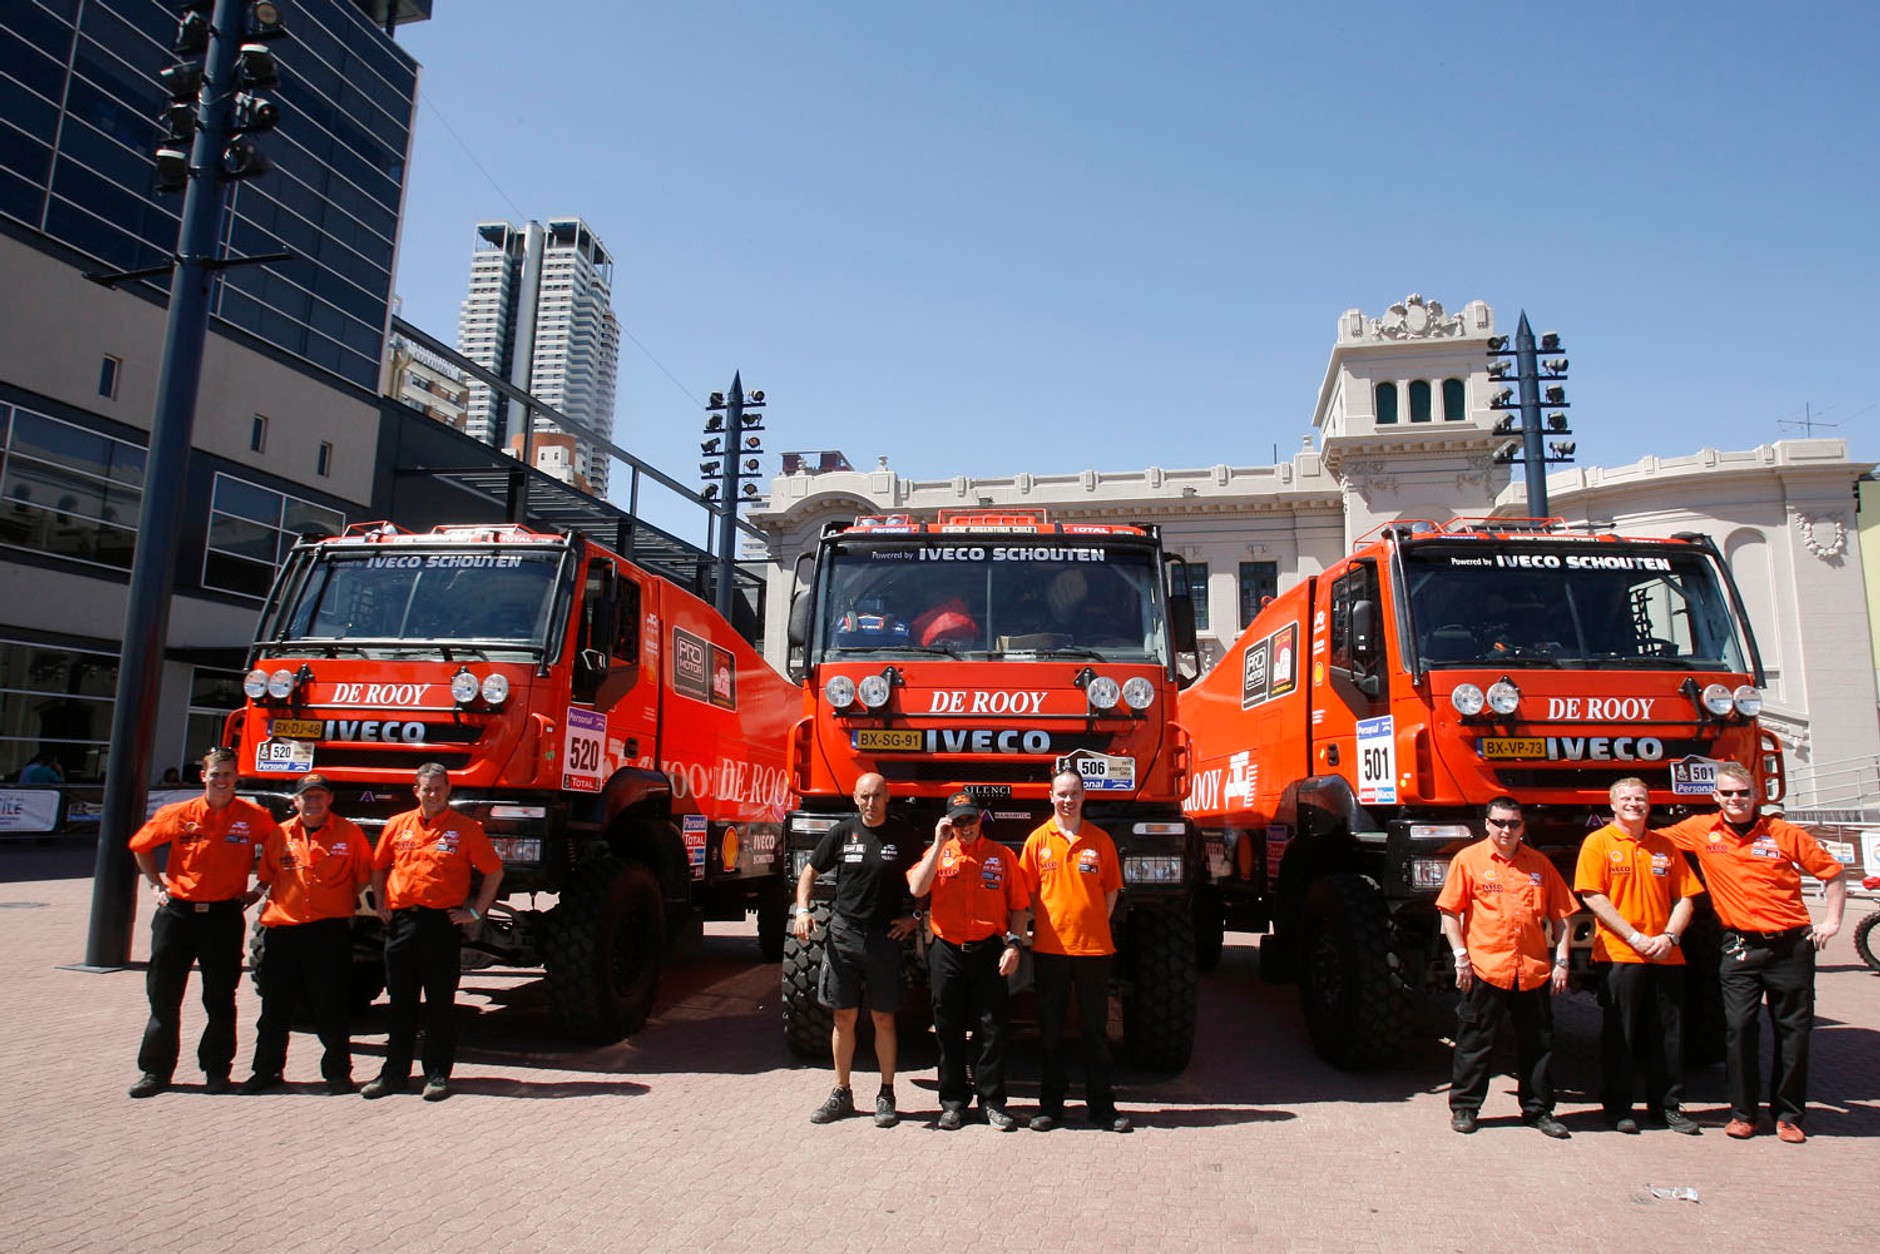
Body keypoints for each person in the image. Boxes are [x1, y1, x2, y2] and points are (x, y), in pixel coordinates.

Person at [1656, 761, 1846, 1143]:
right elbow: (1648, 838)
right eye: (1727, 793)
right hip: (1739, 947)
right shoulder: (1700, 830)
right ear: (1716, 797)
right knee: (1738, 1029)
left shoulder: (1784, 833)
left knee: (1792, 1032)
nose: (1736, 800)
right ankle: (1743, 1114)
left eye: (1743, 793)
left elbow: (1833, 873)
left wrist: (1832, 922)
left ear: (1756, 795)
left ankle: (1789, 1116)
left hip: (1791, 945)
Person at [127, 747, 278, 1098]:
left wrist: (261, 887)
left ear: (236, 777)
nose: (221, 780)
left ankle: (217, 1071)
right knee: (164, 998)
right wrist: (155, 883)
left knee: (220, 998)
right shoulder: (177, 813)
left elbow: (278, 848)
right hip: (177, 916)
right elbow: (140, 845)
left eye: (227, 774)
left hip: (223, 918)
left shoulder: (254, 816)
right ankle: (155, 1071)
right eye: (215, 774)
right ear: (203, 777)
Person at [1437, 795, 1576, 1138]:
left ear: (1522, 827)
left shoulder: (1539, 864)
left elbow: (1563, 917)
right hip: (1485, 968)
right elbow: (1450, 913)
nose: (1506, 829)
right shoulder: (1468, 861)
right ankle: (1466, 1109)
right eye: (1499, 822)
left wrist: (1561, 961)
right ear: (1487, 824)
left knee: (1538, 1044)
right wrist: (1461, 958)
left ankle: (1539, 1111)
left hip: (1532, 971)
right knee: (1475, 1041)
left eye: (1513, 823)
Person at [364, 763, 504, 1102]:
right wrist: (380, 902)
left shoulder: (466, 829)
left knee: (440, 1005)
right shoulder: (398, 825)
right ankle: (393, 1075)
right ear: (416, 791)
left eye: (439, 788)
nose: (433, 793)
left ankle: (437, 1075)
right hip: (401, 924)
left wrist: (475, 911)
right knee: (400, 1004)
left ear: (448, 790)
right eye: (426, 788)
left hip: (441, 925)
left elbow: (494, 871)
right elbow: (378, 865)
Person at [1574, 778, 1705, 1135]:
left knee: (1669, 1036)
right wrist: (1634, 936)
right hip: (1620, 953)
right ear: (1612, 805)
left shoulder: (1665, 845)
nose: (1635, 804)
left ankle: (1668, 1108)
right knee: (1621, 1035)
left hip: (1666, 954)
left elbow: (1686, 897)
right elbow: (1592, 895)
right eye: (1627, 799)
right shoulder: (1597, 843)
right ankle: (1619, 1109)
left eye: (1641, 799)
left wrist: (1669, 936)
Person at [795, 772, 922, 1127]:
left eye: (877, 796)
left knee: (884, 1018)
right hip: (844, 936)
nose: (871, 803)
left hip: (885, 939)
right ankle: (841, 1092)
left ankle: (886, 1094)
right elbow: (809, 872)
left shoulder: (904, 835)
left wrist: (915, 916)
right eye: (864, 796)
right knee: (843, 1017)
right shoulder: (841, 832)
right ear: (855, 798)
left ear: (888, 796)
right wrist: (803, 910)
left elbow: (930, 877)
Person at [241, 774, 371, 1095]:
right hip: (283, 932)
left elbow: (362, 878)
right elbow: (267, 877)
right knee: (275, 1008)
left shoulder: (350, 834)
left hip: (328, 933)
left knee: (331, 1006)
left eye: (319, 796)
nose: (312, 802)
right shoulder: (279, 835)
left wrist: (335, 901)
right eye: (306, 797)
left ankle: (339, 1074)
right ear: (295, 801)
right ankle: (266, 1071)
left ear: (329, 799)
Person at [905, 789, 1027, 1131]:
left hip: (989, 951)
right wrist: (938, 842)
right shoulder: (938, 853)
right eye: (958, 821)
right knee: (948, 1029)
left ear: (981, 818)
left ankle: (992, 1102)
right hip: (947, 951)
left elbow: (1019, 904)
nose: (966, 827)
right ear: (949, 823)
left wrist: (1013, 944)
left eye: (971, 819)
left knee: (992, 1029)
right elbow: (917, 888)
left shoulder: (1001, 856)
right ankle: (954, 1103)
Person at [1019, 769, 1130, 1133]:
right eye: (1062, 794)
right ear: (1050, 797)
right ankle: (1051, 1107)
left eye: (1075, 794)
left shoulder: (1101, 841)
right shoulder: (1037, 841)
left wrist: (1092, 922)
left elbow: (1111, 891)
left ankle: (1102, 1108)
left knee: (1096, 1033)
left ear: (1085, 797)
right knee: (1050, 1032)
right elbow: (1027, 896)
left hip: (1094, 951)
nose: (1068, 800)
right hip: (1050, 951)